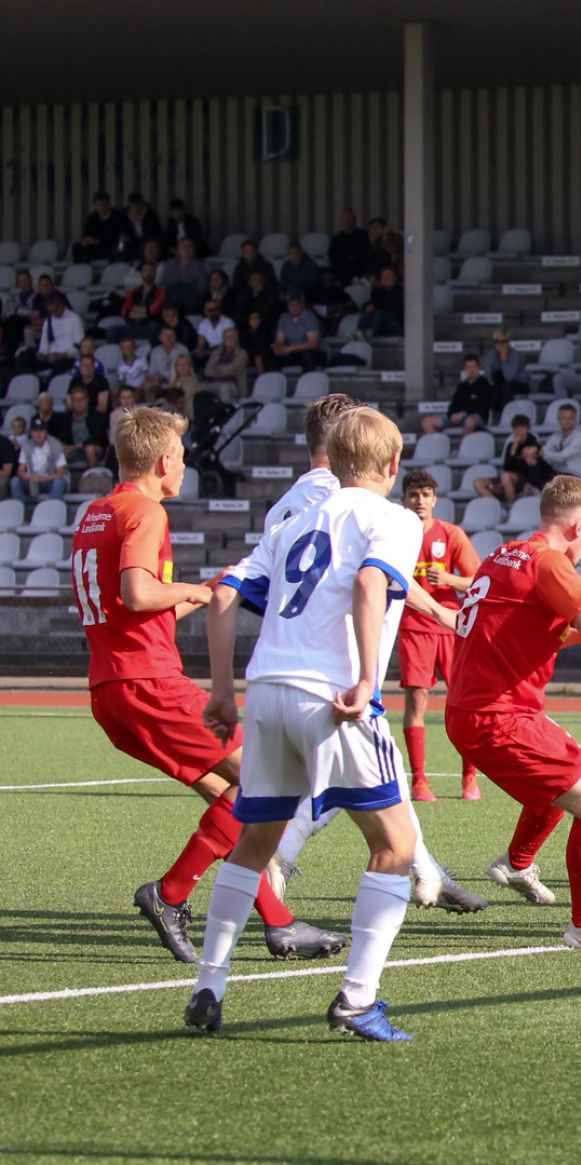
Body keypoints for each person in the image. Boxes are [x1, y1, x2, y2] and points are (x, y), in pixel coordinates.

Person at [74, 407, 345, 969]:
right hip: (149, 683)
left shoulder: (96, 512)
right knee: (273, 784)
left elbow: (127, 608)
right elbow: (138, 594)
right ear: (163, 460)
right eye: (182, 454)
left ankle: (279, 923)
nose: (185, 465)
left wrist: (192, 596)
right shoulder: (145, 511)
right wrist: (197, 591)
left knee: (241, 800)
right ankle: (169, 894)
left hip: (111, 686)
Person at [187, 408, 426, 1040]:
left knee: (254, 845)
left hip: (266, 688)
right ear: (393, 465)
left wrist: (220, 692)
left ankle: (210, 983)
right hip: (332, 695)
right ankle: (356, 1000)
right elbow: (371, 584)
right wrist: (371, 681)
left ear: (331, 460)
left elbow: (219, 597)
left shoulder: (293, 518)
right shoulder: (395, 518)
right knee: (395, 846)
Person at [211, 396, 482, 916]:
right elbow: (369, 578)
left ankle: (214, 971)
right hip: (339, 675)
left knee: (360, 788)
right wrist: (436, 617)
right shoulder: (348, 499)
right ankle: (358, 981)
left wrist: (224, 687)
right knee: (354, 802)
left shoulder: (287, 506)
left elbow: (234, 591)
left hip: (276, 673)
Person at [446, 475, 581, 951]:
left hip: (479, 709)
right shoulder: (549, 563)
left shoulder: (503, 555)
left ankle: (517, 862)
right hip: (497, 716)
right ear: (579, 525)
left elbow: (531, 628)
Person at [396, 470, 483, 803]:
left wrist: (448, 579)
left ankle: (469, 777)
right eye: (414, 495)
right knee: (416, 701)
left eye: (426, 495)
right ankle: (419, 780)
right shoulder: (396, 534)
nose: (420, 501)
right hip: (413, 627)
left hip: (450, 626)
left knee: (465, 700)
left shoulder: (450, 534)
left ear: (435, 499)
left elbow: (477, 579)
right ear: (404, 499)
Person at [476, 414, 549, 503]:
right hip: (508, 476)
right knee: (478, 483)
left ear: (527, 429)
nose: (519, 431)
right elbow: (507, 466)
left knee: (506, 477)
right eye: (517, 428)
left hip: (524, 478)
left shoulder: (533, 444)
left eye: (522, 428)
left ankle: (510, 506)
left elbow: (532, 468)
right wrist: (514, 448)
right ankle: (495, 505)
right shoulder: (510, 445)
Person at [52, 383, 109, 471]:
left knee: (89, 449)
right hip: (73, 450)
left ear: (87, 400)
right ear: (71, 402)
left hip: (94, 448)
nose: (78, 402)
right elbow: (62, 437)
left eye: (81, 399)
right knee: (57, 451)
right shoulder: (67, 417)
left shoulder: (96, 415)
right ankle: (60, 481)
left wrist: (79, 446)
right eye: (75, 399)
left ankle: (92, 477)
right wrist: (65, 447)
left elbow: (98, 437)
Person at [443, 355, 502, 434]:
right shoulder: (462, 386)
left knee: (469, 421)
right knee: (427, 422)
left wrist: (464, 414)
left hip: (477, 418)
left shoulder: (485, 384)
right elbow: (453, 405)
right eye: (468, 367)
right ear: (465, 369)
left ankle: (462, 445)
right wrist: (452, 415)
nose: (471, 370)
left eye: (474, 367)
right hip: (460, 417)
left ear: (479, 368)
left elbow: (482, 407)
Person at [12, 418, 66, 501]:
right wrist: (27, 476)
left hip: (49, 480)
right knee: (15, 481)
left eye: (41, 430)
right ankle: (19, 509)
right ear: (30, 433)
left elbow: (61, 472)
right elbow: (20, 469)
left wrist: (44, 478)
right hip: (31, 480)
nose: (38, 434)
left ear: (46, 432)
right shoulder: (26, 446)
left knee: (59, 482)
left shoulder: (56, 446)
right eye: (35, 431)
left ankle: (51, 509)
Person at [271, 295, 324, 373]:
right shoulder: (284, 318)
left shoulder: (310, 317)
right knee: (270, 355)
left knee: (307, 355)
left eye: (297, 304)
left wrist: (288, 349)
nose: (294, 307)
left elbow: (312, 344)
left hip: (313, 353)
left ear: (302, 304)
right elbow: (279, 340)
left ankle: (308, 383)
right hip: (292, 353)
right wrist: (279, 349)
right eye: (291, 304)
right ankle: (273, 382)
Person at [540, 402, 581, 480]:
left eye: (570, 418)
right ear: (558, 419)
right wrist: (542, 453)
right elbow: (544, 450)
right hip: (559, 474)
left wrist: (544, 454)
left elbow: (562, 456)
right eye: (563, 418)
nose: (567, 421)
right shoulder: (555, 436)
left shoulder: (580, 437)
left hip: (577, 476)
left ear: (574, 419)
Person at [39, 293, 85, 375]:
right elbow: (44, 343)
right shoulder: (48, 321)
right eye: (50, 312)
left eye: (54, 310)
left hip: (67, 357)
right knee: (24, 360)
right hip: (51, 356)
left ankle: (50, 384)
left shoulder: (74, 318)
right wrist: (42, 353)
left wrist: (62, 355)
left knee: (59, 365)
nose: (53, 314)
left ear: (61, 305)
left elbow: (79, 345)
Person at [74, 191, 126, 262]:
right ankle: (83, 269)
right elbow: (86, 233)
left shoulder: (117, 216)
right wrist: (86, 240)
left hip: (110, 246)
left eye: (104, 204)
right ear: (95, 205)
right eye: (98, 205)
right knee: (77, 247)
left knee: (116, 250)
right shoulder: (93, 217)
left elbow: (118, 235)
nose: (101, 207)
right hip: (95, 247)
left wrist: (98, 240)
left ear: (108, 204)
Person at [201, 327, 251, 399]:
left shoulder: (242, 353)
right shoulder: (216, 352)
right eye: (227, 337)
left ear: (237, 339)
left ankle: (224, 409)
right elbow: (207, 371)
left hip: (234, 385)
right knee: (199, 386)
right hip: (214, 383)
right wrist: (221, 370)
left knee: (224, 387)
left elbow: (230, 369)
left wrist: (216, 368)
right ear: (223, 339)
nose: (230, 339)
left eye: (232, 337)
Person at [483, 329, 532, 397]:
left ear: (508, 342)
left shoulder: (515, 355)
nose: (499, 344)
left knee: (505, 388)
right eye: (497, 341)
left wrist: (504, 359)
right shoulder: (492, 355)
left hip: (519, 384)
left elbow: (509, 377)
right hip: (501, 385)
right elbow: (487, 375)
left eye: (502, 341)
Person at [329, 208, 373, 283]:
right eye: (345, 218)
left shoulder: (363, 235)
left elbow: (367, 254)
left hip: (360, 272)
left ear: (354, 220)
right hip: (342, 273)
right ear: (342, 220)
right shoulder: (337, 238)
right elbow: (332, 256)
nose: (347, 221)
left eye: (350, 218)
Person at [361, 266, 404, 338]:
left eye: (389, 276)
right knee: (367, 313)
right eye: (383, 277)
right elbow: (370, 303)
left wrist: (376, 307)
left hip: (395, 324)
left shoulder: (400, 291)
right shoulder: (378, 291)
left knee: (379, 313)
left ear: (395, 277)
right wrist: (367, 307)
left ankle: (370, 332)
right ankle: (359, 332)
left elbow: (393, 307)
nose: (386, 279)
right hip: (379, 324)